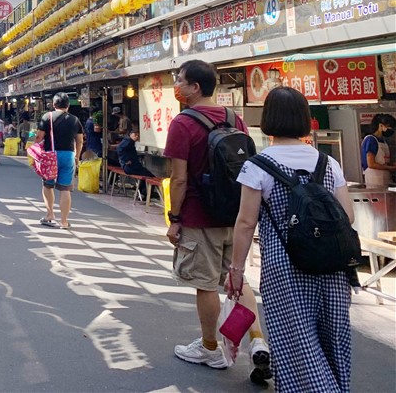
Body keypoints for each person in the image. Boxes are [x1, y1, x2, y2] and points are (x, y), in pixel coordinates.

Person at [228, 87, 354, 392]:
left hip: (285, 269)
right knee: (333, 340)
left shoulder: (256, 166)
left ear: (268, 119)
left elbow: (245, 224)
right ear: (305, 119)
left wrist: (236, 270)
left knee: (297, 345)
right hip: (332, 267)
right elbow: (348, 216)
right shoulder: (327, 163)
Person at [163, 59, 269, 379]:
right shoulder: (234, 118)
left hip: (200, 217)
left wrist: (175, 218)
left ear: (195, 87)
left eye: (180, 80)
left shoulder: (182, 123)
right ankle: (258, 342)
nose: (176, 85)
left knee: (205, 284)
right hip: (234, 215)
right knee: (237, 279)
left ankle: (210, 347)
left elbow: (178, 179)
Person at [35, 93, 83, 228]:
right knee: (65, 189)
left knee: (47, 185)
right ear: (68, 105)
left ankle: (50, 215)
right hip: (68, 156)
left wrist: (36, 152)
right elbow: (79, 141)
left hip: (50, 155)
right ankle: (64, 221)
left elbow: (39, 137)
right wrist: (77, 156)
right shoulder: (75, 120)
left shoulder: (47, 117)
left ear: (54, 104)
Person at [361, 113, 396, 188]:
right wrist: (391, 168)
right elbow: (371, 164)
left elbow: (383, 160)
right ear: (381, 126)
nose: (390, 130)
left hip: (385, 180)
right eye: (389, 127)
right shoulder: (371, 140)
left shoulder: (384, 141)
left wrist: (391, 164)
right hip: (374, 180)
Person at [117, 129, 154, 199]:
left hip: (132, 166)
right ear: (130, 135)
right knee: (150, 177)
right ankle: (144, 194)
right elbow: (119, 149)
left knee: (146, 174)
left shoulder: (130, 142)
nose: (136, 137)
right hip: (130, 167)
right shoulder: (128, 141)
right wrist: (126, 160)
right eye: (135, 135)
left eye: (138, 135)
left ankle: (141, 193)